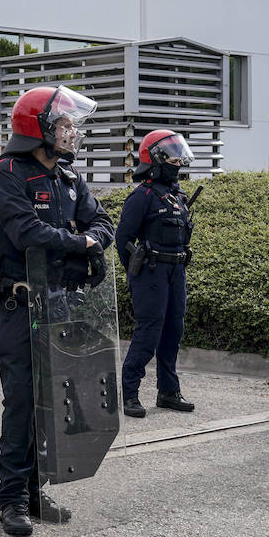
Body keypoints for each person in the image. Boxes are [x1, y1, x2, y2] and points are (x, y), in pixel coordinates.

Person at [0, 85, 114, 537]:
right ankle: (12, 498)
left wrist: (90, 239)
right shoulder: (9, 174)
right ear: (37, 128)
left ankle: (38, 488)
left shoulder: (69, 178)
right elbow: (27, 232)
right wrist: (80, 242)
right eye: (63, 124)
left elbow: (103, 222)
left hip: (58, 303)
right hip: (19, 306)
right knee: (21, 402)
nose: (72, 132)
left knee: (53, 401)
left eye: (72, 125)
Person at [116, 129, 197, 419]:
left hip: (177, 271)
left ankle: (168, 391)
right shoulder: (142, 197)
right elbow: (122, 238)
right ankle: (129, 392)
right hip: (151, 272)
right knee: (148, 332)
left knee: (173, 331)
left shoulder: (178, 196)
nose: (178, 161)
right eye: (172, 155)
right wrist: (136, 272)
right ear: (157, 158)